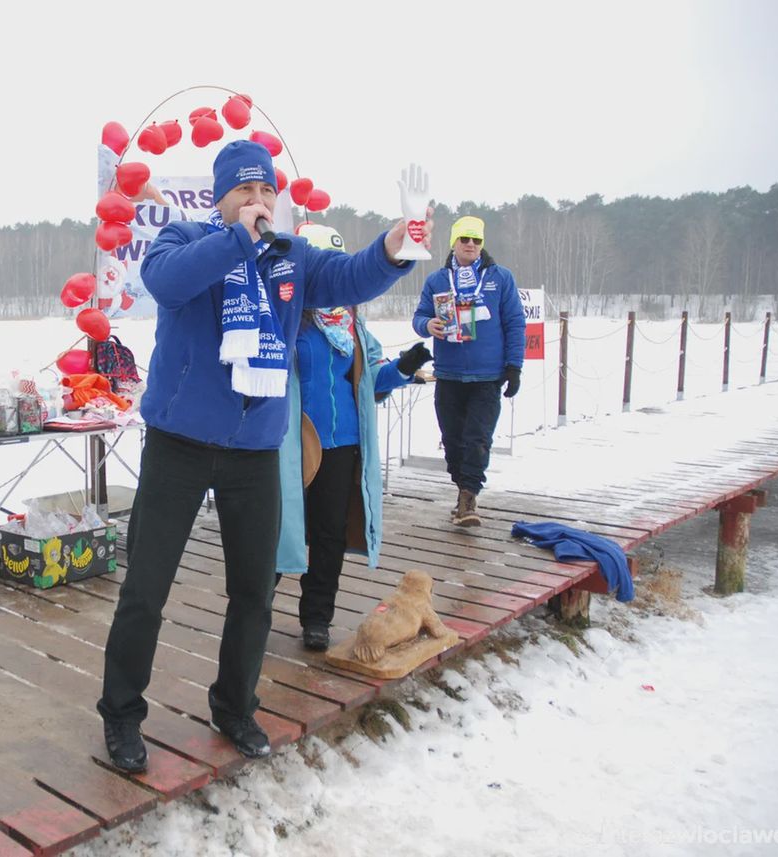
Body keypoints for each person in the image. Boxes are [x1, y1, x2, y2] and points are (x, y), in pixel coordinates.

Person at [98, 141, 433, 772]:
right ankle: (121, 714)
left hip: (254, 451)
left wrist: (395, 246)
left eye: (266, 193)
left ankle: (234, 706)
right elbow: (166, 282)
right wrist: (237, 241)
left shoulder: (291, 257)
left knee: (254, 591)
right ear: (221, 196)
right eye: (245, 191)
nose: (258, 202)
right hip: (178, 445)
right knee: (145, 589)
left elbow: (351, 277)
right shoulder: (184, 240)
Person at [276, 223, 432, 652]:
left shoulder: (351, 325)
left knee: (329, 534)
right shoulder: (285, 319)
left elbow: (369, 382)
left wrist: (402, 368)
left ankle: (316, 617)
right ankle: (255, 608)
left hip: (342, 441)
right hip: (290, 443)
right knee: (278, 526)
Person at [411, 216, 525, 527]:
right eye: (465, 239)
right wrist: (427, 325)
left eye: (477, 240)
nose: (471, 245)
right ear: (454, 243)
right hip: (448, 374)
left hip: (487, 375)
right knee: (452, 441)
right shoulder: (437, 280)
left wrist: (514, 366)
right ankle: (462, 489)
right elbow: (419, 317)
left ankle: (468, 498)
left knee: (478, 439)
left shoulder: (500, 278)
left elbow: (515, 323)